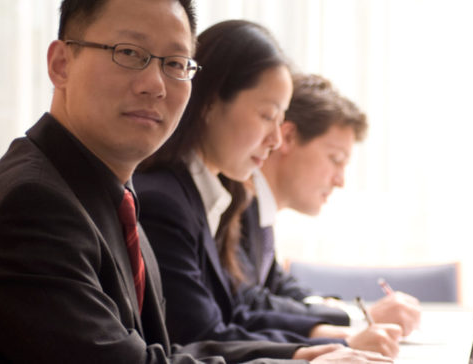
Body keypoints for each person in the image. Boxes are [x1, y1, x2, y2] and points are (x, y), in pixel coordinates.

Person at [0, 1, 393, 363]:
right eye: (130, 54)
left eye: (175, 63)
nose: (155, 84)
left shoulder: (112, 193)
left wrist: (302, 356)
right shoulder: (35, 203)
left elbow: (165, 350)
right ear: (61, 63)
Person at [134, 19, 401, 358]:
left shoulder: (220, 198)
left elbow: (241, 304)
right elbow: (201, 335)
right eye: (266, 115)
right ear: (211, 103)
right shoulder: (164, 202)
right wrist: (324, 348)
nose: (275, 140)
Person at [238, 73, 421, 338]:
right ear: (287, 137)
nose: (340, 180)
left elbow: (276, 284)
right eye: (335, 159)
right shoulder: (231, 208)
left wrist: (345, 314)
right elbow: (247, 305)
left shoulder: (258, 212)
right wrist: (355, 319)